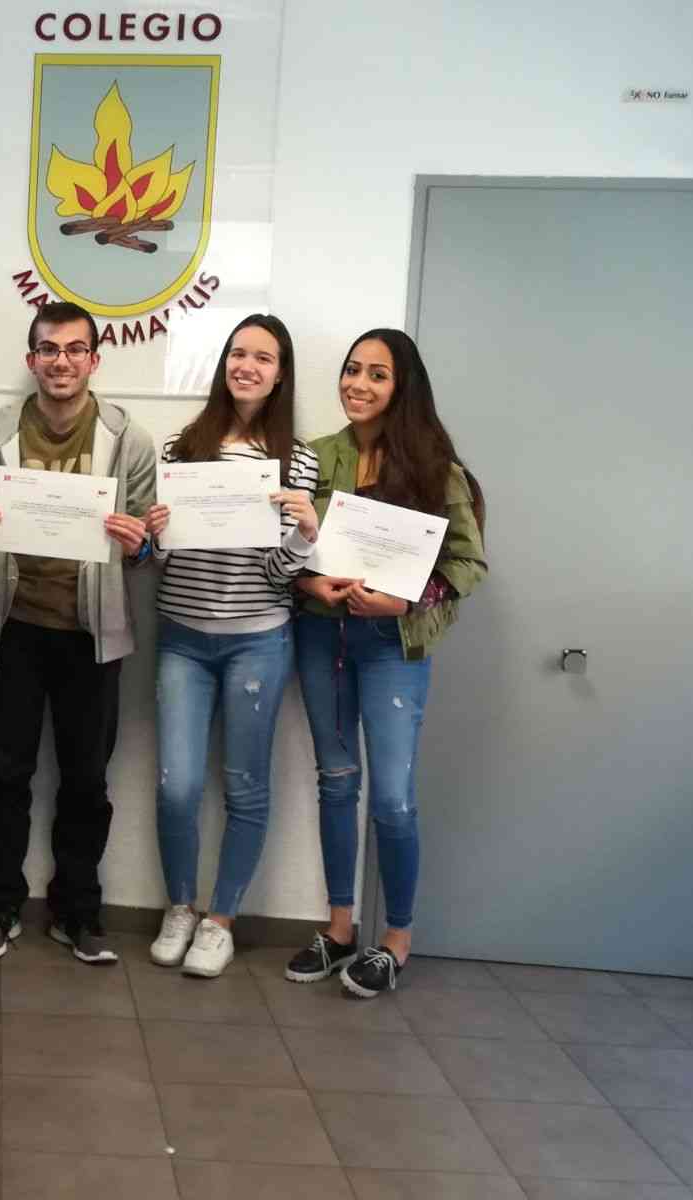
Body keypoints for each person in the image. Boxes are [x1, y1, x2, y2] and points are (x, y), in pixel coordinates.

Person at [285, 328, 487, 997]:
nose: (358, 384)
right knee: (337, 782)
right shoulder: (314, 457)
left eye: (377, 374)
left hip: (393, 647)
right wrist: (309, 583)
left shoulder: (436, 469)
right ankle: (340, 928)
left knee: (393, 800)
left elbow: (467, 564)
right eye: (352, 370)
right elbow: (282, 548)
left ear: (403, 388)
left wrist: (405, 601)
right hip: (322, 637)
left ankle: (397, 939)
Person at [0, 300, 156, 964]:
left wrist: (137, 543)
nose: (61, 361)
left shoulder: (128, 440)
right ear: (31, 359)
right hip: (12, 628)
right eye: (48, 349)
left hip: (92, 635)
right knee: (4, 775)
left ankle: (79, 912)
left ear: (94, 360)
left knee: (87, 781)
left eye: (74, 349)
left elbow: (147, 550)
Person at [142, 315, 320, 978]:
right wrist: (158, 535)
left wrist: (304, 535)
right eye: (238, 354)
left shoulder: (297, 460)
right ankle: (180, 906)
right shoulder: (180, 448)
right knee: (178, 786)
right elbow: (161, 559)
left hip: (259, 642)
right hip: (183, 642)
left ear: (280, 374)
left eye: (263, 358)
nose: (247, 366)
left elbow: (278, 573)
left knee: (245, 786)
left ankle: (221, 921)